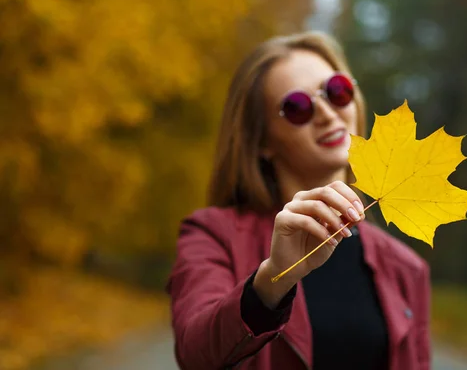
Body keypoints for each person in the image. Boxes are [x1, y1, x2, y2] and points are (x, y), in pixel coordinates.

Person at [166, 31, 431, 370]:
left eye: (337, 91)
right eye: (297, 107)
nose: (326, 113)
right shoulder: (212, 235)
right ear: (262, 140)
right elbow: (195, 353)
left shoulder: (406, 267)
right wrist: (274, 277)